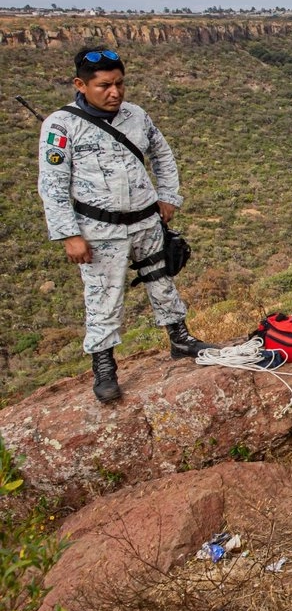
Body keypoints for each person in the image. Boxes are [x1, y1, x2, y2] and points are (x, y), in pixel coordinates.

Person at [37, 46, 214, 404]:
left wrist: (168, 196)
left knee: (161, 279)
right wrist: (69, 234)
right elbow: (52, 185)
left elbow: (162, 154)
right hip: (100, 229)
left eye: (120, 84)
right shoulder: (61, 126)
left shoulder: (135, 115)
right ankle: (104, 365)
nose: (115, 92)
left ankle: (180, 337)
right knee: (104, 295)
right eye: (104, 85)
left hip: (147, 220)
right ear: (81, 84)